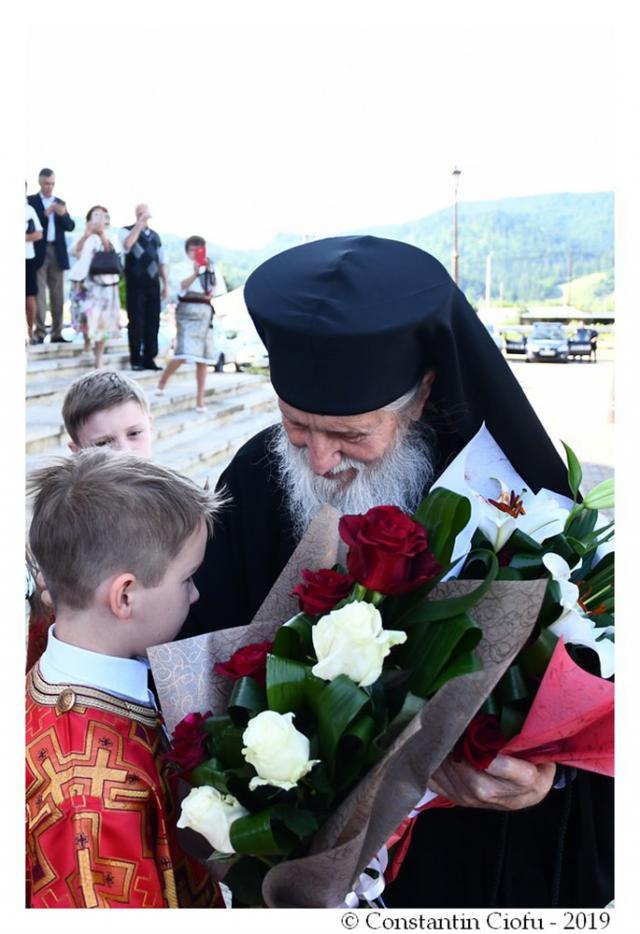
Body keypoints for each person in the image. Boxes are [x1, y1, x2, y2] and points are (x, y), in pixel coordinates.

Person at [179, 235, 613, 909]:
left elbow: (585, 677)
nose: (321, 459)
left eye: (351, 435)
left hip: (459, 865)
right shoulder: (253, 481)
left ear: (419, 396)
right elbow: (198, 649)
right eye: (298, 426)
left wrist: (540, 777)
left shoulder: (504, 499)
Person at [26, 448, 224, 908]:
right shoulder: (88, 803)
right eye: (187, 578)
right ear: (126, 596)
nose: (196, 594)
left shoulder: (60, 671)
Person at [25, 370, 154, 672]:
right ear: (77, 452)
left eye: (135, 434)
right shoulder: (65, 522)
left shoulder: (179, 508)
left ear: (152, 427)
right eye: (103, 443)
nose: (124, 451)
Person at [156, 235, 217, 413]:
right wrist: (195, 272)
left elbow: (215, 289)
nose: (196, 253)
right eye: (193, 249)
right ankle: (163, 381)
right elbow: (180, 287)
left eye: (200, 249)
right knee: (183, 352)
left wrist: (207, 271)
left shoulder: (211, 266)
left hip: (205, 310)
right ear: (187, 250)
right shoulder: (180, 267)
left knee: (203, 359)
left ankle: (200, 400)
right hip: (187, 309)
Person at [69, 207, 123, 369]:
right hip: (84, 284)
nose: (100, 219)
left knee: (102, 322)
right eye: (96, 215)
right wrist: (87, 234)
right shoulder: (84, 237)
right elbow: (73, 251)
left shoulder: (111, 237)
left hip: (104, 286)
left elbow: (113, 253)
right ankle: (87, 344)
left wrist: (101, 235)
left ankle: (98, 359)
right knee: (85, 317)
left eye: (103, 216)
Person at [27, 168, 75, 343]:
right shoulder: (31, 201)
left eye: (52, 184)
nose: (49, 187)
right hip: (38, 250)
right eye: (47, 183)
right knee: (38, 293)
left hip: (57, 251)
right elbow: (30, 223)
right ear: (40, 182)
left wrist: (62, 214)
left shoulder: (60, 202)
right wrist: (45, 214)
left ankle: (57, 332)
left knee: (57, 294)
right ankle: (40, 332)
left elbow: (70, 226)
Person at [120, 204, 169, 372]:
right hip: (135, 282)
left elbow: (162, 261)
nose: (143, 215)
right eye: (140, 213)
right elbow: (127, 245)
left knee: (153, 321)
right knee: (136, 321)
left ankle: (150, 358)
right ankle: (136, 359)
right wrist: (139, 225)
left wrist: (165, 284)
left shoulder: (156, 236)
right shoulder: (126, 231)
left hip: (153, 282)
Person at [25, 184, 43, 344]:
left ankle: (29, 333)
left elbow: (38, 233)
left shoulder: (28, 209)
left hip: (27, 257)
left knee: (30, 296)